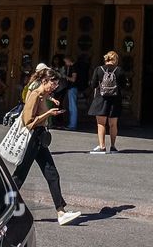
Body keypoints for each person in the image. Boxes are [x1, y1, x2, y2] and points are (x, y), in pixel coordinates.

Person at [11, 66, 82, 226]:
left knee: (52, 174)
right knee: (19, 176)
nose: (55, 87)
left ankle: (61, 211)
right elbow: (27, 122)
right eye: (53, 84)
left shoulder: (44, 95)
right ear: (44, 81)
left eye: (56, 85)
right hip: (32, 139)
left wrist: (50, 111)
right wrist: (48, 114)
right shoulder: (35, 95)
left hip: (39, 139)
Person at [88, 50, 126, 153]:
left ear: (106, 59)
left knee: (101, 124)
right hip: (115, 100)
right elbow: (123, 85)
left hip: (101, 99)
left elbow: (93, 84)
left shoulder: (99, 69)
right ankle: (113, 147)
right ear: (116, 60)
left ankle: (102, 146)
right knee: (113, 124)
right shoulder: (119, 70)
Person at [58, 55, 80, 131]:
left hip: (72, 88)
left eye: (65, 62)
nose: (65, 63)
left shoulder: (74, 67)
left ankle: (72, 125)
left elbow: (73, 79)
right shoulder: (73, 67)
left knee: (72, 107)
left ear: (68, 60)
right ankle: (71, 124)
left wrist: (65, 76)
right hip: (72, 88)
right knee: (71, 106)